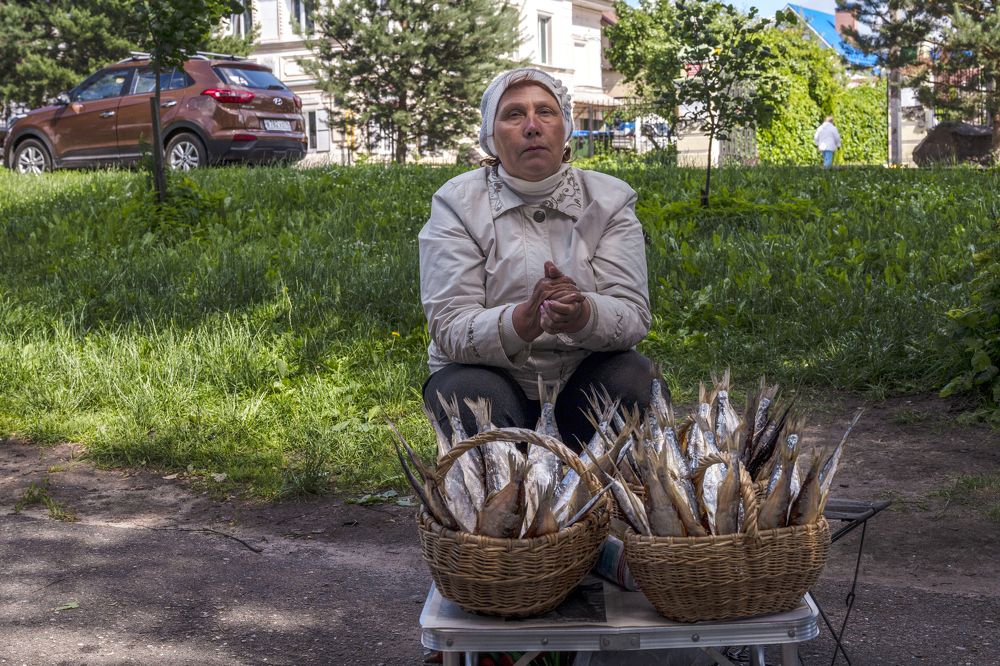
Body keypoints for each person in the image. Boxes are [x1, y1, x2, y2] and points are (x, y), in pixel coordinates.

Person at [418, 67, 656, 450]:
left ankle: (591, 472)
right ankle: (507, 471)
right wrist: (517, 323)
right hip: (490, 374)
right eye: (514, 114)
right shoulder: (456, 203)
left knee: (635, 378)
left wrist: (583, 314)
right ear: (490, 136)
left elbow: (632, 314)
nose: (532, 126)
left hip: (581, 374)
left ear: (565, 128)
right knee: (469, 397)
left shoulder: (609, 200)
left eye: (545, 112)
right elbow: (449, 324)